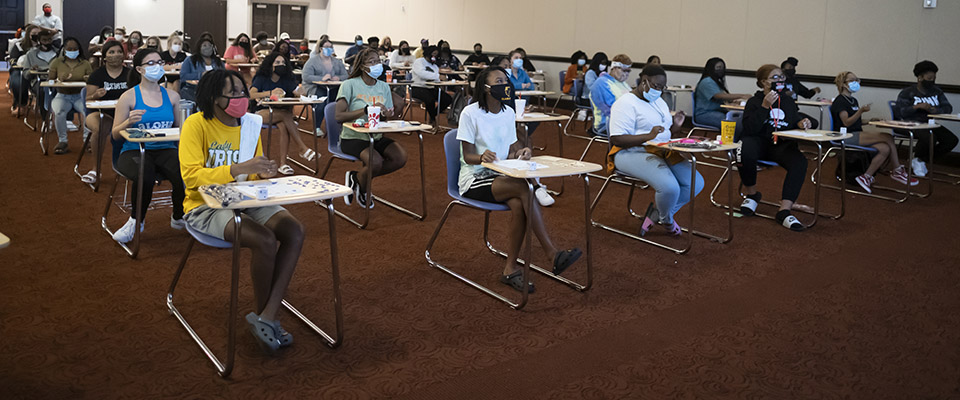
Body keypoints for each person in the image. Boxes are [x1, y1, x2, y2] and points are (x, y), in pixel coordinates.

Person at [179, 68, 305, 353]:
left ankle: (268, 315)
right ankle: (267, 315)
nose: (240, 97)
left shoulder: (249, 125)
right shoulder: (196, 125)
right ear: (213, 98)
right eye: (232, 93)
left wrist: (264, 173)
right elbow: (191, 178)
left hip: (245, 197)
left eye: (242, 91)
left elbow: (252, 173)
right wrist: (237, 168)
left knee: (295, 230)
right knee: (264, 240)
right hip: (204, 205)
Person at [457, 66, 583, 293]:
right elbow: (467, 156)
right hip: (474, 178)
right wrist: (482, 156)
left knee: (519, 204)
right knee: (524, 189)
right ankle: (552, 253)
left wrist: (521, 152)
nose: (505, 84)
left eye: (505, 80)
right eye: (499, 80)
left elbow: (512, 148)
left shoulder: (507, 112)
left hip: (501, 175)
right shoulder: (470, 113)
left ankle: (509, 269)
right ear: (486, 88)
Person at [608, 65, 703, 236]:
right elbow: (617, 139)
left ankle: (658, 214)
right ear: (644, 82)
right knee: (669, 188)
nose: (659, 90)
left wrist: (676, 127)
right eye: (656, 86)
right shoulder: (625, 103)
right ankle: (666, 219)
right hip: (630, 153)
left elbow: (662, 134)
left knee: (696, 183)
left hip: (660, 150)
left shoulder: (659, 102)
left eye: (662, 87)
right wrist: (647, 136)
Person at [109, 48, 186, 243]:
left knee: (185, 171)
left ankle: (179, 216)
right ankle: (136, 220)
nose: (157, 67)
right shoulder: (129, 97)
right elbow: (115, 134)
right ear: (139, 69)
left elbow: (179, 129)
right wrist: (128, 122)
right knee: (146, 174)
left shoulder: (172, 96)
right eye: (150, 63)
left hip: (165, 148)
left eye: (159, 62)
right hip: (134, 150)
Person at [738, 64, 814, 232]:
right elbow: (750, 128)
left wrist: (803, 123)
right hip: (757, 142)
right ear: (763, 82)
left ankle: (784, 210)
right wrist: (765, 107)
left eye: (781, 77)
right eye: (774, 78)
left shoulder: (787, 101)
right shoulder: (754, 101)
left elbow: (794, 120)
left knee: (800, 162)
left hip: (780, 145)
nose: (779, 80)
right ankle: (752, 195)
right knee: (743, 149)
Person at [333, 48, 405, 208]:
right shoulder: (349, 85)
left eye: (378, 61)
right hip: (353, 137)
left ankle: (358, 178)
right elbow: (338, 116)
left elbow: (384, 118)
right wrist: (365, 109)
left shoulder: (383, 87)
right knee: (376, 162)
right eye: (372, 62)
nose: (376, 65)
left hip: (376, 135)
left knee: (400, 158)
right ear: (363, 66)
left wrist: (389, 112)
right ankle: (364, 187)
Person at [831, 71, 918, 192]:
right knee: (887, 137)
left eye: (857, 79)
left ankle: (866, 177)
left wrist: (869, 121)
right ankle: (897, 170)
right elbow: (846, 122)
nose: (856, 82)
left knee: (885, 148)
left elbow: (856, 121)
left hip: (856, 133)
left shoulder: (853, 100)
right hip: (845, 135)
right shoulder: (840, 101)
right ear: (843, 84)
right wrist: (860, 111)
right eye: (852, 80)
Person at [249, 52, 315, 175]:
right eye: (277, 63)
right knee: (286, 116)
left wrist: (301, 91)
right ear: (270, 64)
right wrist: (270, 92)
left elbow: (297, 91)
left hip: (278, 113)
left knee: (284, 125)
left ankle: (283, 164)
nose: (281, 65)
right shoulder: (262, 78)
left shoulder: (286, 79)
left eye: (283, 63)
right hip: (260, 112)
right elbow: (251, 95)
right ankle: (302, 147)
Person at [80, 40, 131, 183]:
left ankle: (130, 166)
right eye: (112, 52)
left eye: (119, 52)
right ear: (105, 56)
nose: (116, 55)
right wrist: (95, 95)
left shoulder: (130, 74)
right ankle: (95, 170)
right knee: (100, 126)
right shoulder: (97, 74)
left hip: (124, 114)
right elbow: (88, 100)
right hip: (100, 112)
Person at [895, 60, 957, 177]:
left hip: (930, 123)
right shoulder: (907, 93)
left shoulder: (937, 91)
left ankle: (920, 159)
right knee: (929, 137)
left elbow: (948, 108)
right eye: (929, 78)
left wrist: (934, 110)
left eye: (934, 78)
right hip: (909, 124)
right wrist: (916, 107)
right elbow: (900, 112)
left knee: (951, 140)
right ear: (920, 77)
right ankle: (918, 160)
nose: (932, 81)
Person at [47, 37, 94, 155]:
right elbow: (50, 81)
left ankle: (87, 141)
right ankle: (63, 141)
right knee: (59, 112)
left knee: (87, 111)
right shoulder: (57, 62)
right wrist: (59, 79)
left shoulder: (85, 63)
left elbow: (92, 80)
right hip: (62, 95)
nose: (72, 51)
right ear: (64, 49)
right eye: (69, 49)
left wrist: (87, 79)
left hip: (80, 96)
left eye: (75, 49)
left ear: (79, 50)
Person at [303, 38, 348, 134]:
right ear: (320, 49)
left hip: (334, 87)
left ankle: (336, 127)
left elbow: (346, 75)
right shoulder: (312, 61)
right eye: (326, 47)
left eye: (331, 47)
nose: (329, 49)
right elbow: (306, 76)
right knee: (321, 102)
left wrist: (338, 78)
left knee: (340, 102)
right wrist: (321, 78)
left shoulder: (337, 62)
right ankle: (317, 127)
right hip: (316, 87)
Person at [694, 57, 751, 129]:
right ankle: (732, 139)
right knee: (731, 122)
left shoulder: (716, 81)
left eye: (722, 67)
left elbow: (725, 96)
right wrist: (742, 96)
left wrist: (734, 101)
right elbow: (719, 96)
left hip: (718, 112)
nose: (721, 70)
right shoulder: (707, 81)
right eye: (718, 67)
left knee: (739, 119)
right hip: (705, 114)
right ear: (711, 68)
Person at [589, 54, 633, 136]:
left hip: (622, 121)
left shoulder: (623, 83)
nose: (626, 74)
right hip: (606, 124)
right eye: (624, 70)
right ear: (615, 68)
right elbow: (610, 110)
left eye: (628, 71)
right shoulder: (601, 84)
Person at [410, 45, 452, 125]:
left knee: (447, 99)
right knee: (430, 99)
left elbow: (436, 79)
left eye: (436, 55)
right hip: (418, 87)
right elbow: (422, 74)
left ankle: (433, 114)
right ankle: (432, 119)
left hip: (431, 88)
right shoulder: (419, 62)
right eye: (433, 54)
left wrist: (441, 78)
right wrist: (438, 77)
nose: (434, 56)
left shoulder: (435, 66)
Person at [179, 37, 225, 102]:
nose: (207, 47)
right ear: (199, 47)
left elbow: (224, 75)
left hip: (215, 89)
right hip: (195, 89)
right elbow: (183, 76)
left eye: (210, 45)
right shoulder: (190, 60)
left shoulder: (218, 61)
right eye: (204, 45)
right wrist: (200, 75)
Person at [780, 57, 821, 129]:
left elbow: (806, 93)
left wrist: (814, 90)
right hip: (782, 111)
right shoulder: (778, 81)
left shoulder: (794, 81)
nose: (792, 69)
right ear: (783, 69)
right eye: (789, 67)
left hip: (794, 112)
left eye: (793, 68)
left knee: (814, 123)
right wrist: (784, 94)